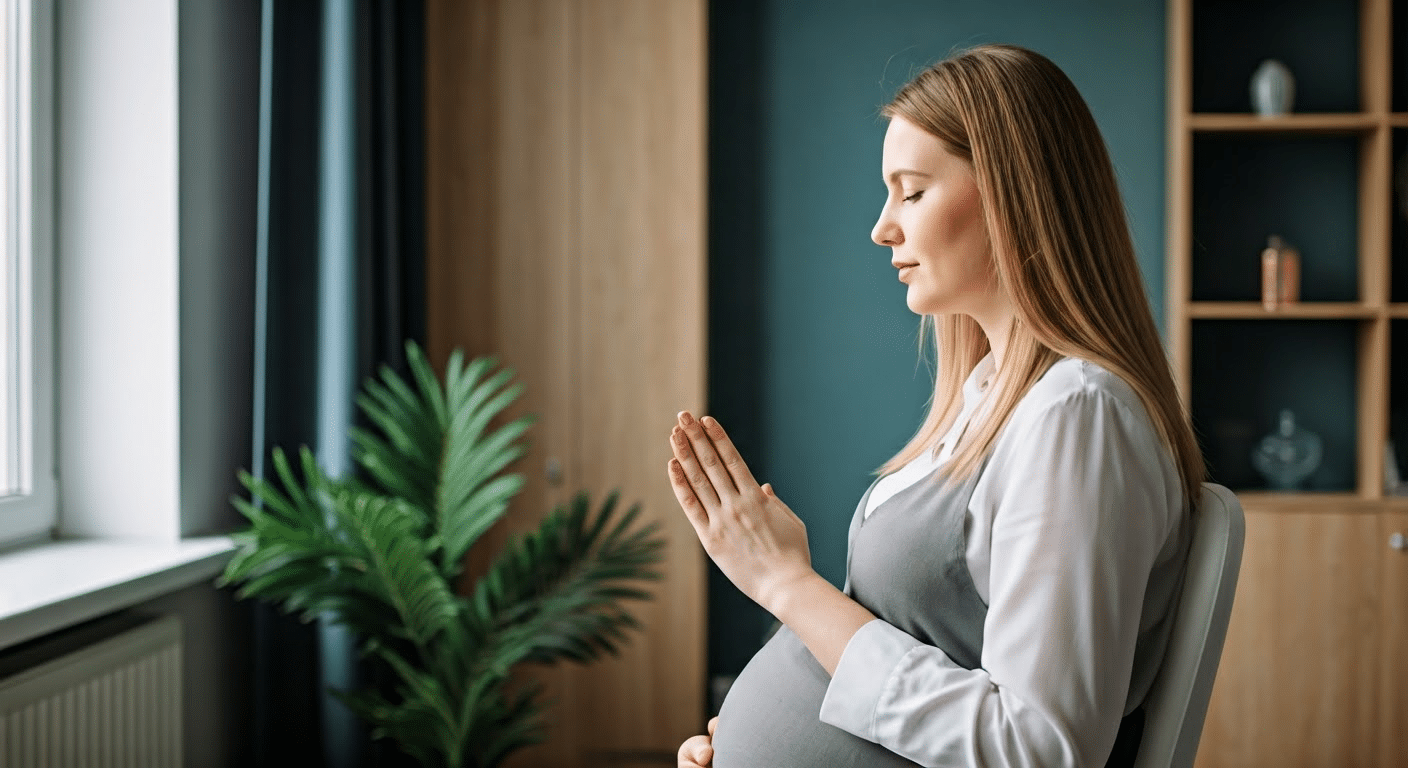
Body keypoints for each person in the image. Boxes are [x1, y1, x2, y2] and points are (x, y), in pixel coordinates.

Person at [666, 43, 1204, 768]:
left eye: (912, 191)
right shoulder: (992, 403)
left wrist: (786, 583)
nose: (883, 227)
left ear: (1015, 194)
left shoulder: (1079, 415)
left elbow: (1038, 748)